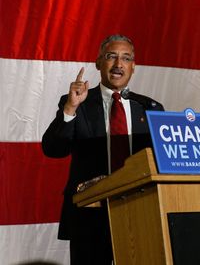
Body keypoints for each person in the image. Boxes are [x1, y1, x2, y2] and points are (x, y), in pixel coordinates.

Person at [42, 34, 164, 264]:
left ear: (133, 67)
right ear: (99, 63)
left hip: (139, 213)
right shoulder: (78, 103)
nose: (119, 64)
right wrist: (70, 107)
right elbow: (53, 149)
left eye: (126, 58)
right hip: (90, 215)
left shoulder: (150, 108)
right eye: (112, 57)